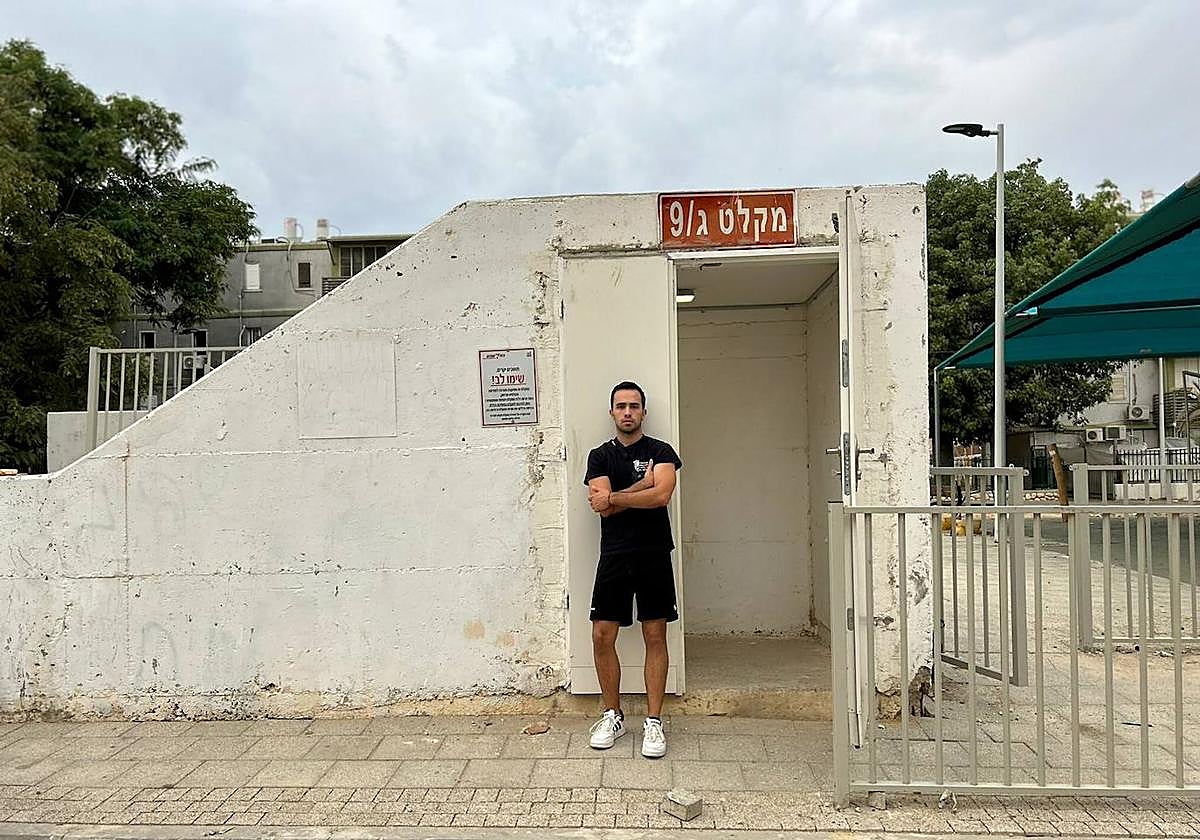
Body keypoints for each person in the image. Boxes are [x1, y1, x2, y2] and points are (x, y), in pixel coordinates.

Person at [584, 380, 682, 758]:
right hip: (615, 556)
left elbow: (661, 496)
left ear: (643, 412)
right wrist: (641, 486)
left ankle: (654, 722)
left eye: (634, 406)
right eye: (621, 406)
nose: (627, 412)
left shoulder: (662, 451)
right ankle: (613, 714)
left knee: (655, 636)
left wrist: (621, 495)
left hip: (654, 553)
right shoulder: (599, 456)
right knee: (601, 636)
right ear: (612, 412)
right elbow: (600, 506)